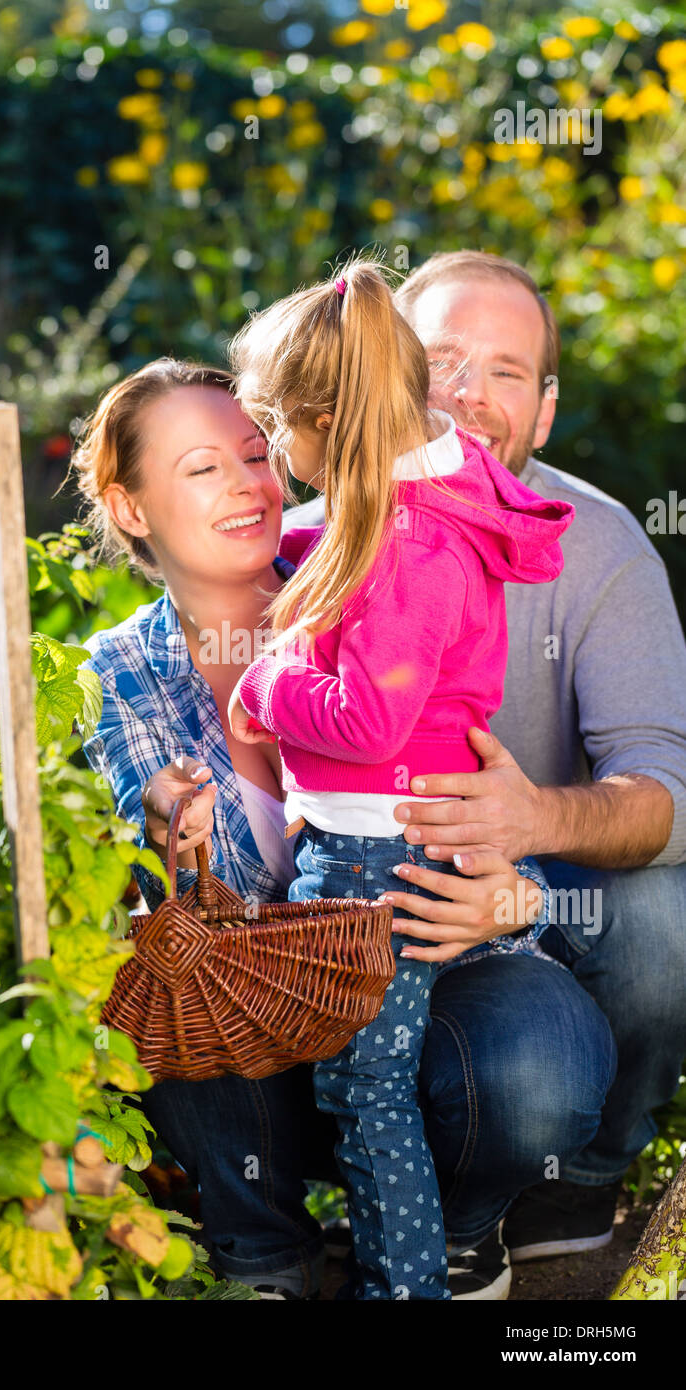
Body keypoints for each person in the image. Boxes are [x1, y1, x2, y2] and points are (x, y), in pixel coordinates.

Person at [76, 355, 613, 1302]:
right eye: (203, 469)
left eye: (256, 453)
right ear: (128, 506)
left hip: (413, 1022)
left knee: (543, 1045)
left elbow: (478, 798)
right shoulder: (118, 675)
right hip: (262, 1063)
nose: (249, 487)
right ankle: (264, 1250)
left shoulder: (372, 577)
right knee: (171, 969)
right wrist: (160, 831)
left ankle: (451, 1230)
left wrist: (508, 896)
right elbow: (146, 890)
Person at [288, 249, 686, 1279]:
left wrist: (524, 848)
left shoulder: (596, 547)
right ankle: (382, 1210)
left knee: (650, 924)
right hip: (345, 902)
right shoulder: (306, 535)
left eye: (505, 371)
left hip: (522, 908)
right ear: (380, 365)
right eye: (441, 358)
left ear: (544, 410)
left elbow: (669, 795)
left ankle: (569, 1183)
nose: (466, 394)